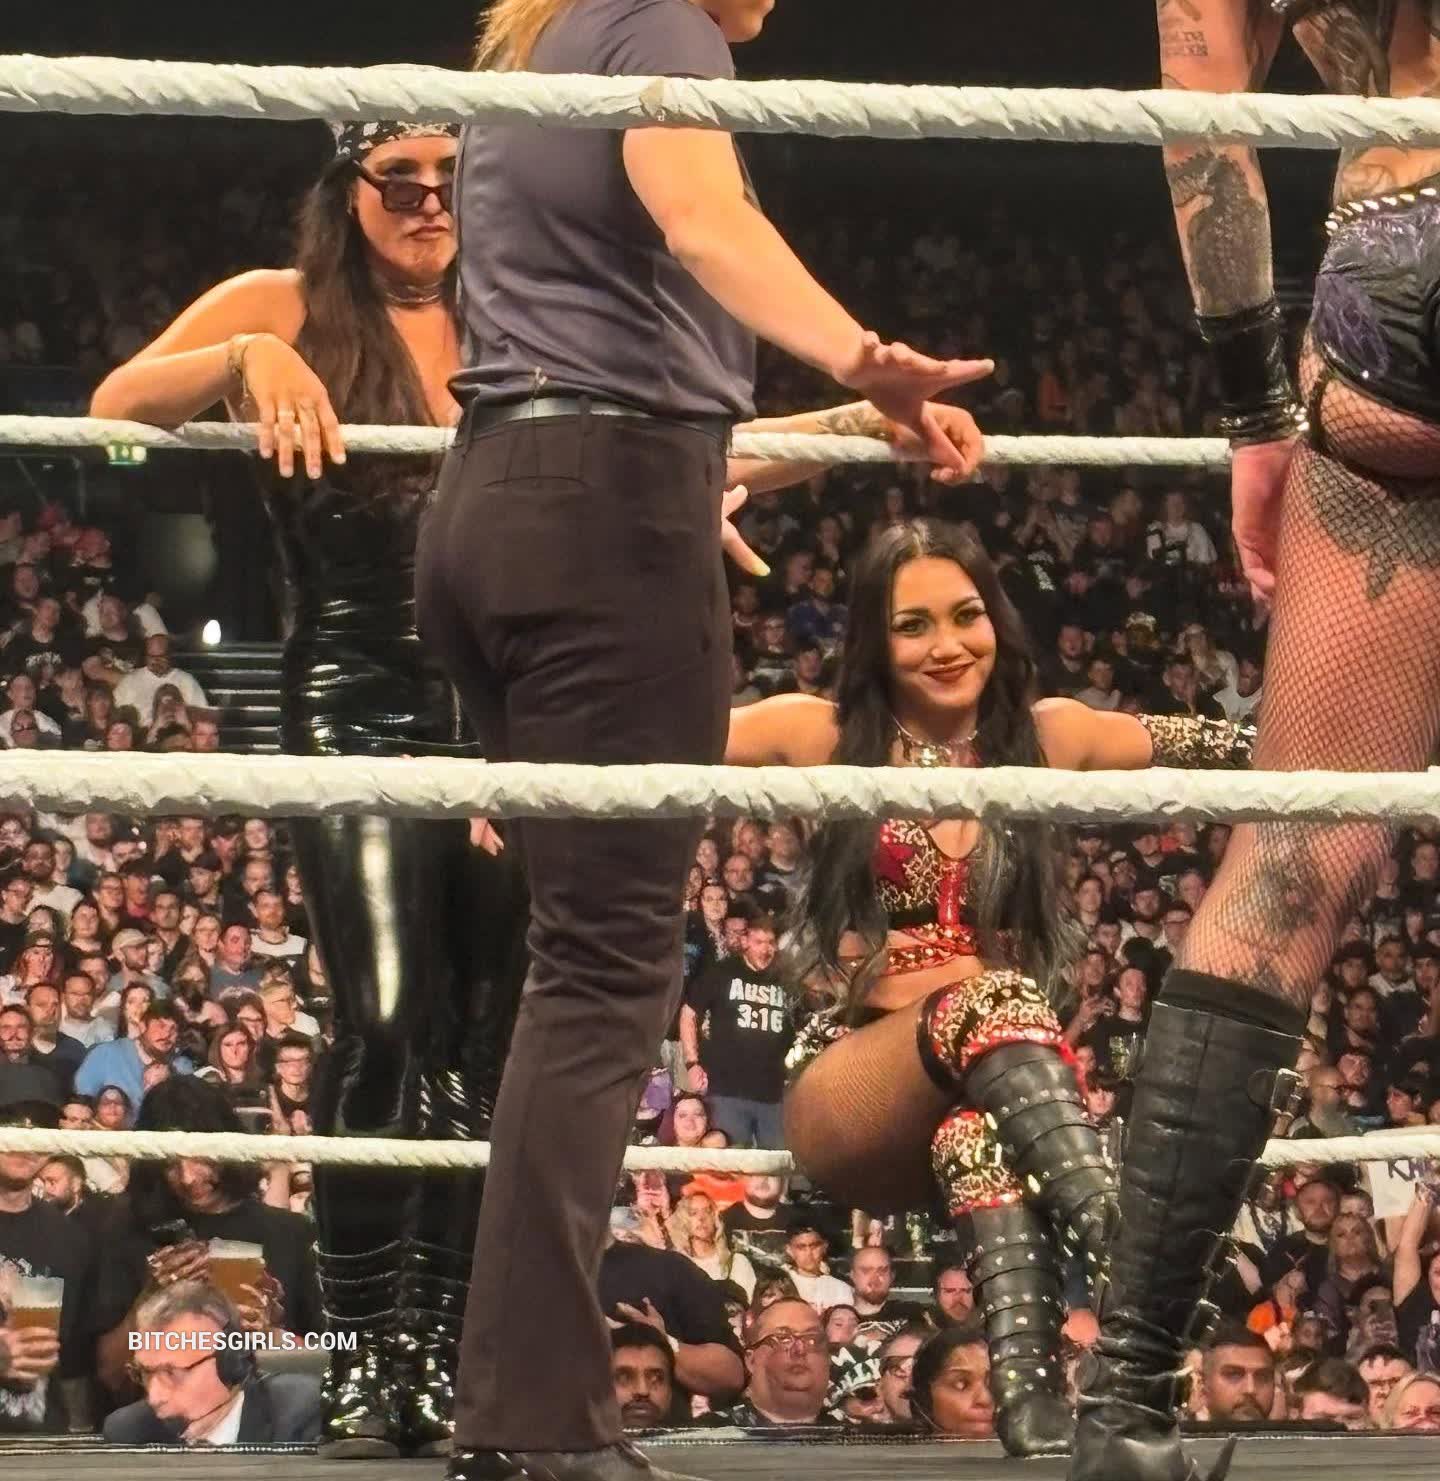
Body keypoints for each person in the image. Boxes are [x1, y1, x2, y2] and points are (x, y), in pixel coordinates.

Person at [423, 1, 990, 1476]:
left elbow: (610, 348)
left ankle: (508, 1404)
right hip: (604, 517)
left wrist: (826, 428)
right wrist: (867, 357)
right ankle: (531, 1422)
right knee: (605, 973)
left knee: (571, 972)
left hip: (498, 500)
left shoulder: (537, 52)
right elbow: (704, 220)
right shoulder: (664, 23)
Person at [90, 119, 531, 1459]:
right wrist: (244, 357)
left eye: (453, 182)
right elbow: (114, 415)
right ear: (349, 192)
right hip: (353, 695)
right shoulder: (282, 304)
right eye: (402, 181)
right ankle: (356, 1353)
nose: (430, 204)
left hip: (502, 706)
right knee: (383, 1017)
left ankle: (432, 1355)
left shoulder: (514, 313)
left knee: (477, 1046)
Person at [1074, 6, 1440, 1478]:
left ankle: (1125, 1403)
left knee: (1289, 866)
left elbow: (1205, 83)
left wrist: (1253, 409)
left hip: (1391, 256)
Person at [725, 520, 1254, 1455]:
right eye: (913, 624)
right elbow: (646, 742)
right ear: (873, 638)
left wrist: (1372, 745)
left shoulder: (1045, 737)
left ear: (996, 621)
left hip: (983, 1099)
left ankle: (1032, 1401)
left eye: (966, 615)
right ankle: (1134, 1257)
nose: (948, 644)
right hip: (855, 1088)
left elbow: (1216, 743)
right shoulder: (825, 733)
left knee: (980, 1130)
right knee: (1000, 996)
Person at [104, 1281, 321, 1445]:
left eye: (171, 1373)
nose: (155, 1397)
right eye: (145, 1373)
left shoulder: (301, 1415)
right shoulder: (130, 1432)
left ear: (232, 1365)